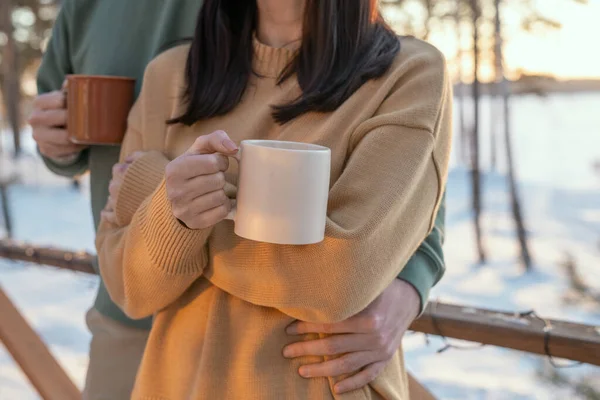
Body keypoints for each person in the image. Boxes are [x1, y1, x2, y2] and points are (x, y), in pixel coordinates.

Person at [30, 0, 446, 398]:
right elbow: (128, 288)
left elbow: (334, 280)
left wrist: (159, 195)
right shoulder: (169, 76)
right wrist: (180, 215)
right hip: (172, 386)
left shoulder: (408, 74)